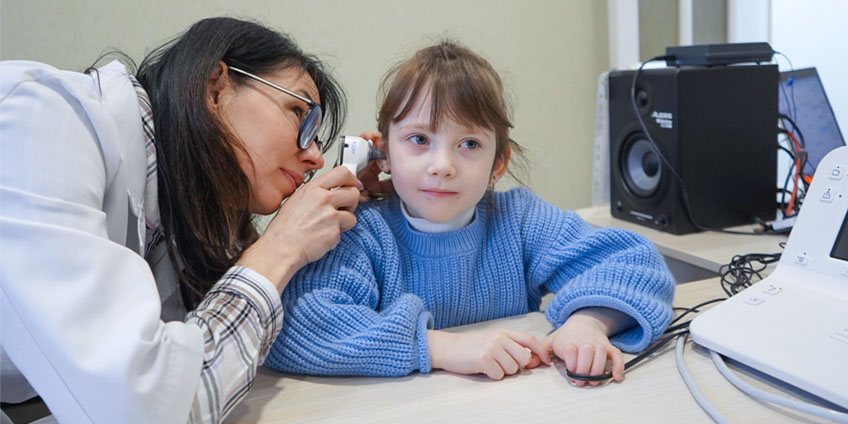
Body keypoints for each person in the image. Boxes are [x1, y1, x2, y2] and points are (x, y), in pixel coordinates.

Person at [0, 17, 365, 423]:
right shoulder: (43, 119)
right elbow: (139, 407)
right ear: (215, 87)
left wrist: (394, 210)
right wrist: (279, 250)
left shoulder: (176, 218)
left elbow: (201, 354)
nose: (315, 155)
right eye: (301, 113)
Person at [263, 41, 675, 384]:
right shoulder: (362, 232)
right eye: (419, 139)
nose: (442, 165)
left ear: (499, 162)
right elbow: (296, 325)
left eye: (470, 144)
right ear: (383, 152)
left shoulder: (519, 220)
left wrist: (589, 323)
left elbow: (635, 263)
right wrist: (441, 347)